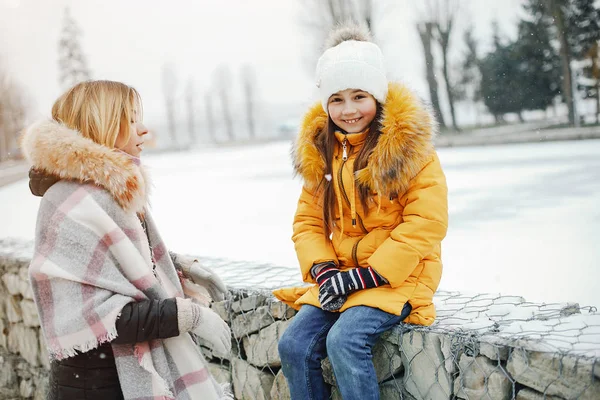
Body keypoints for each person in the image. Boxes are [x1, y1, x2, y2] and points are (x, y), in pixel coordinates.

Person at [21, 80, 233, 400]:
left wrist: (179, 267)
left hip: (112, 378)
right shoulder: (74, 201)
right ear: (101, 125)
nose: (144, 129)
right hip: (95, 383)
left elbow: (125, 262)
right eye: (131, 120)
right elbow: (108, 318)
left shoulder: (107, 192)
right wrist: (190, 315)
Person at [273, 23, 448, 400]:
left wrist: (366, 276)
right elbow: (307, 222)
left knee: (345, 340)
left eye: (359, 96)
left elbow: (425, 223)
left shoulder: (408, 150)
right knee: (294, 345)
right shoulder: (323, 151)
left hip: (398, 278)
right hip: (340, 279)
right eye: (336, 99)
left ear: (378, 96)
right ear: (325, 104)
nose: (348, 110)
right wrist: (324, 269)